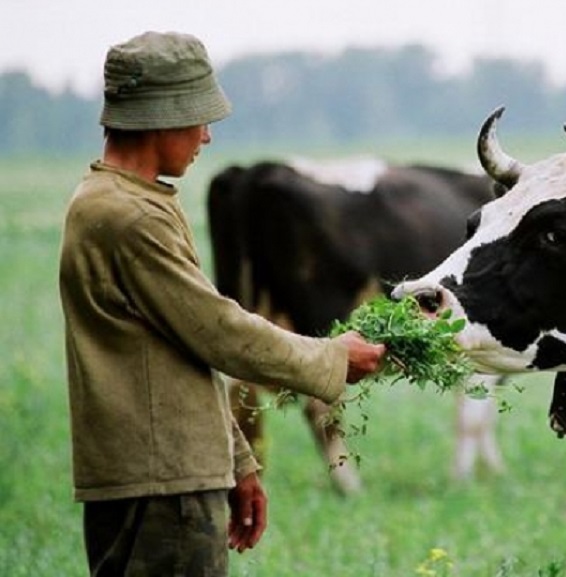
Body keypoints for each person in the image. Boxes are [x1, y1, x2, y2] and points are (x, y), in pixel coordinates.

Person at [58, 31, 386, 576]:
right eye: (198, 117)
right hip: (163, 484)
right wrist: (331, 358)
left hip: (170, 471)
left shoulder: (123, 202)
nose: (207, 135)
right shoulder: (131, 218)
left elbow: (183, 351)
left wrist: (235, 461)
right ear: (161, 117)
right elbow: (219, 332)